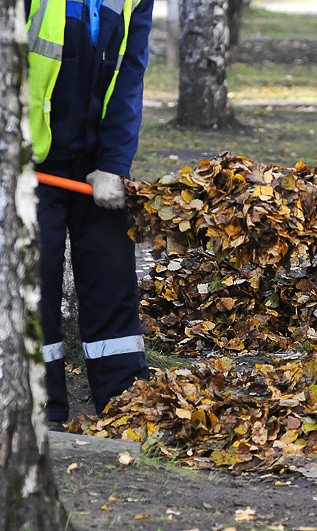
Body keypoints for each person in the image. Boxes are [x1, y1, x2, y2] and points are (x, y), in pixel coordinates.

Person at [26, 0, 154, 425]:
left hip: (95, 165)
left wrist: (115, 164)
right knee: (33, 281)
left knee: (111, 276)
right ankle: (40, 411)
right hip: (26, 159)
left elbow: (129, 73)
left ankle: (126, 408)